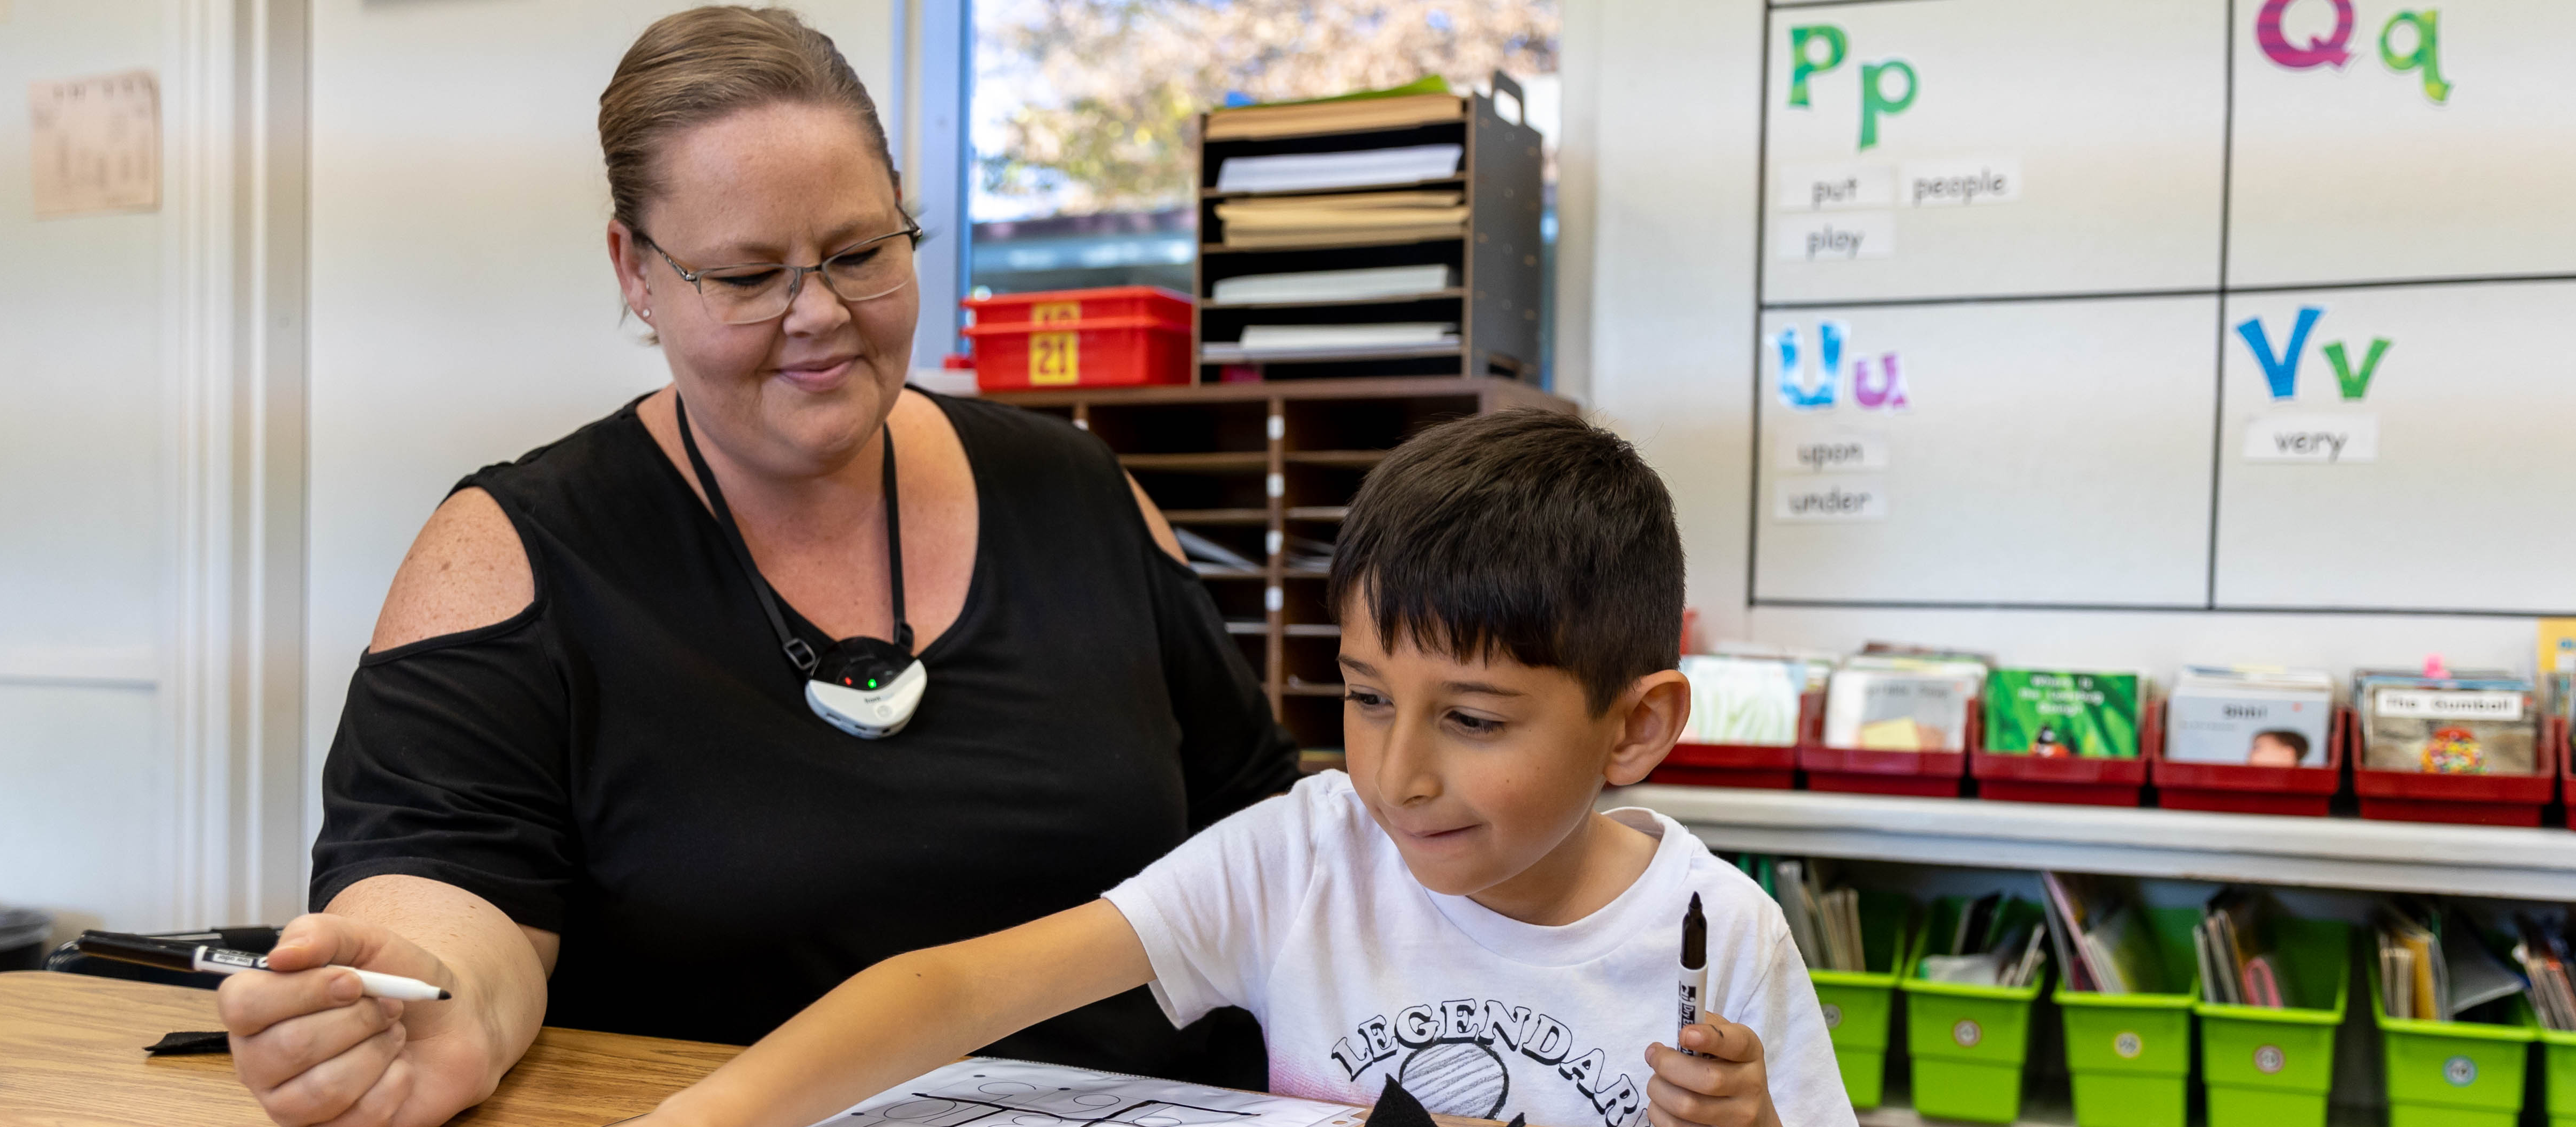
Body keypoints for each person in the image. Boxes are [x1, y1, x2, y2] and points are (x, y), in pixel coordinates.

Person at [216, 9, 1296, 1126]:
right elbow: (448, 888)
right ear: (635, 272)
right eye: (744, 276)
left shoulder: (1081, 493)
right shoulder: (515, 547)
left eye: (862, 254)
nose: (820, 316)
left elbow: (1267, 841)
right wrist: (423, 1000)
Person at [628, 411, 1845, 1127]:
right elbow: (956, 995)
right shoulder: (1306, 851)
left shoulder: (1722, 935)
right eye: (1366, 700)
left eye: (1473, 721)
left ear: (1634, 729)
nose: (1397, 775)